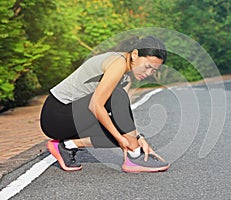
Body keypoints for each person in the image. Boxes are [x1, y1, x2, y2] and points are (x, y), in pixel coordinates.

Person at [40, 35, 170, 172]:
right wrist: (124, 140)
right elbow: (95, 105)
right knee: (118, 102)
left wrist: (138, 138)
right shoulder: (117, 62)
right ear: (135, 54)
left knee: (123, 129)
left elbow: (122, 116)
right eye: (147, 66)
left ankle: (67, 145)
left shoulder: (126, 78)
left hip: (74, 117)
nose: (148, 73)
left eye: (153, 70)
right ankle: (135, 156)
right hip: (56, 115)